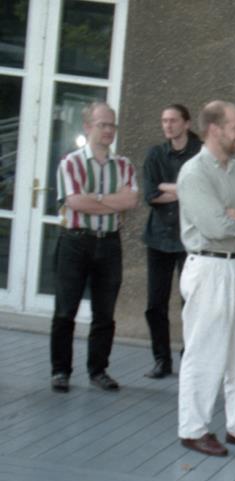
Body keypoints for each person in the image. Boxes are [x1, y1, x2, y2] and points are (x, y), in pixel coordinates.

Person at [176, 100, 235, 457]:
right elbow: (215, 226)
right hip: (209, 268)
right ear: (215, 129)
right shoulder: (194, 173)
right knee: (205, 351)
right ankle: (193, 429)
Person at [50, 102, 139, 393]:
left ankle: (98, 371)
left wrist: (95, 199)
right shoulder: (70, 163)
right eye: (103, 125)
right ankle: (60, 371)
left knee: (104, 313)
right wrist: (112, 200)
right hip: (75, 242)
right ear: (87, 127)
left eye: (112, 125)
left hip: (109, 243)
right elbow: (74, 201)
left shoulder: (124, 165)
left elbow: (131, 201)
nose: (109, 130)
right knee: (66, 311)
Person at [141, 104, 201, 378]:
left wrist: (167, 187)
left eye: (173, 120)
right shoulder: (155, 154)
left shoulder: (200, 153)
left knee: (191, 303)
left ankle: (190, 358)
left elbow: (201, 191)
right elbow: (150, 195)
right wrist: (182, 190)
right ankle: (161, 360)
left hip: (190, 240)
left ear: (186, 123)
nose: (168, 125)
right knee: (155, 304)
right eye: (164, 121)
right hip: (158, 237)